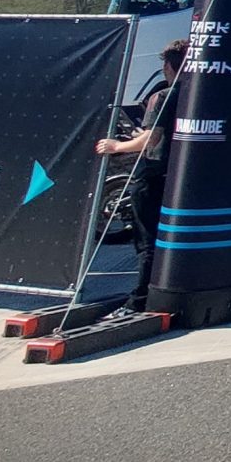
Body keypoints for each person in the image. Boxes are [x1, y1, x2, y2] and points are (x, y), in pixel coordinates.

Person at [94, 38, 186, 317]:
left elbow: (150, 139)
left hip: (153, 174)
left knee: (147, 241)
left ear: (168, 67)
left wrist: (116, 146)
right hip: (179, 177)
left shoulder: (163, 96)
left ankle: (139, 300)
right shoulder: (197, 93)